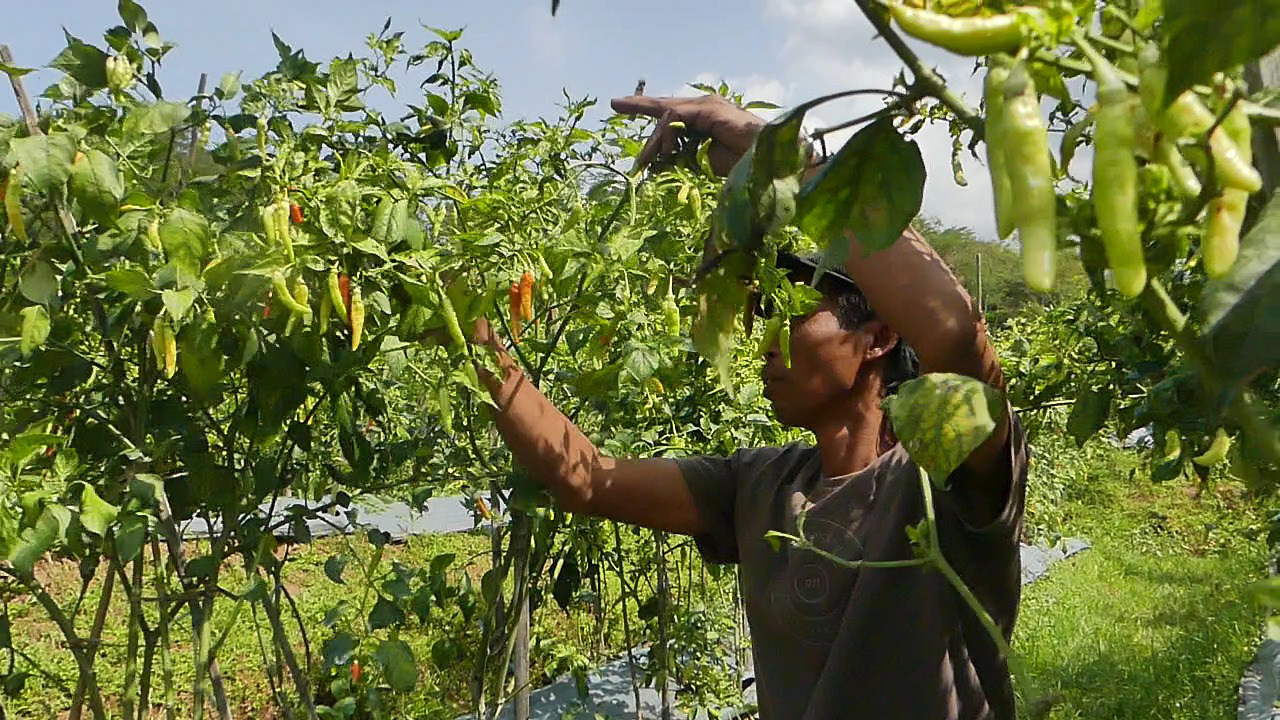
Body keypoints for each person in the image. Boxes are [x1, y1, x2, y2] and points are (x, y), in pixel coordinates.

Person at [463, 92, 1029, 720]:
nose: (766, 341)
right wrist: (477, 341)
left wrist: (783, 160)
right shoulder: (760, 485)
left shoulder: (946, 465)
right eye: (761, 316)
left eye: (793, 311)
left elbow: (952, 329)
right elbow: (588, 479)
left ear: (880, 334)